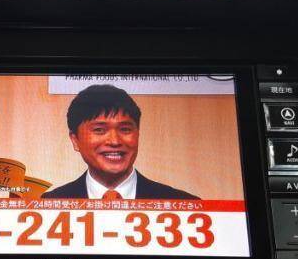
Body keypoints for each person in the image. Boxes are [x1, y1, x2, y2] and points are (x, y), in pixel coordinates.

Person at [42, 84, 198, 199]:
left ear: (138, 134)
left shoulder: (186, 206)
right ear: (75, 140)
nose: (114, 141)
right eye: (99, 130)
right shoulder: (48, 206)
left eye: (125, 129)